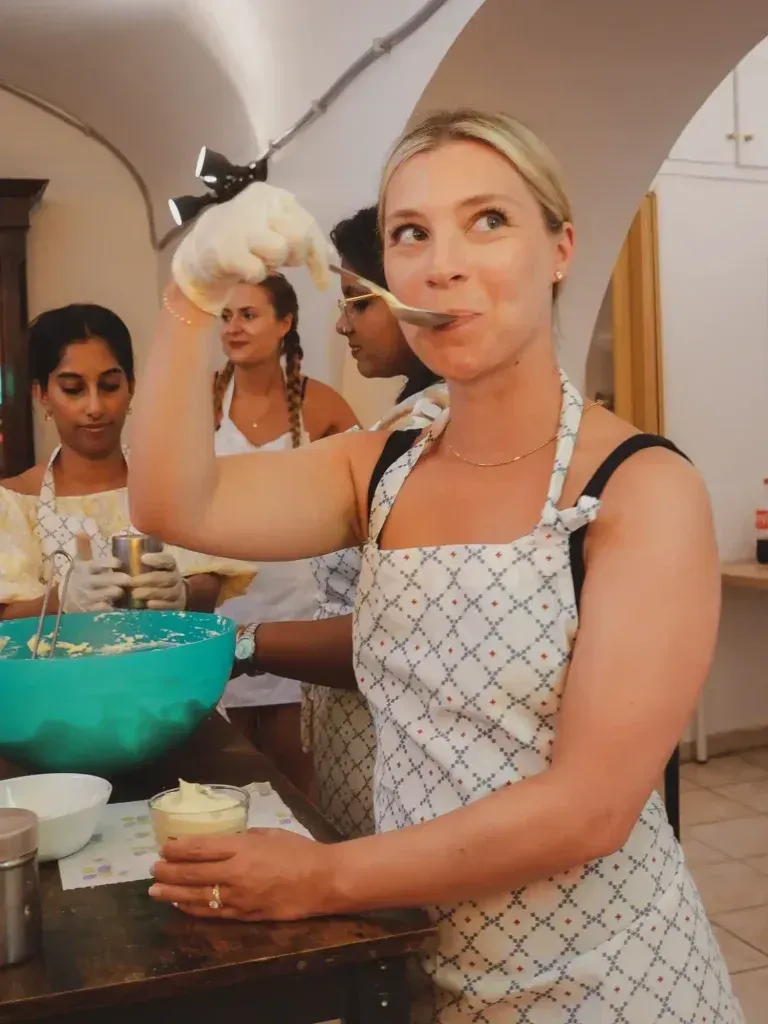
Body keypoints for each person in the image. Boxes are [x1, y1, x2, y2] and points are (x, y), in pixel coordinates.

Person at [131, 110, 741, 1022]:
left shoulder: (638, 489)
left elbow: (589, 808)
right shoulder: (381, 465)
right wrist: (190, 297)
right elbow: (174, 505)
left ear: (560, 248)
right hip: (426, 966)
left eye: (488, 220)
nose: (441, 264)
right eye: (410, 233)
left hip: (608, 984)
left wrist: (323, 877)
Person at [228, 206, 448, 837]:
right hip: (353, 717)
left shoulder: (425, 430)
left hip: (392, 738)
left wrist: (239, 643)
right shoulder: (402, 420)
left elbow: (400, 633)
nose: (343, 323)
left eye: (358, 302)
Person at [0, 303, 252, 621]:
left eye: (109, 386)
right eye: (73, 389)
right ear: (43, 395)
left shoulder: (168, 483)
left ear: (131, 386)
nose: (95, 407)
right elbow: (6, 615)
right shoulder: (15, 502)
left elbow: (211, 576)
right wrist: (59, 601)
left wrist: (184, 592)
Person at [213, 272, 358, 794]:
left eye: (248, 315)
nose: (234, 327)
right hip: (223, 607)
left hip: (300, 610)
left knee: (297, 781)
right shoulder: (202, 403)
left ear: (284, 323)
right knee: (228, 776)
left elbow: (365, 506)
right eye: (226, 316)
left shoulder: (323, 406)